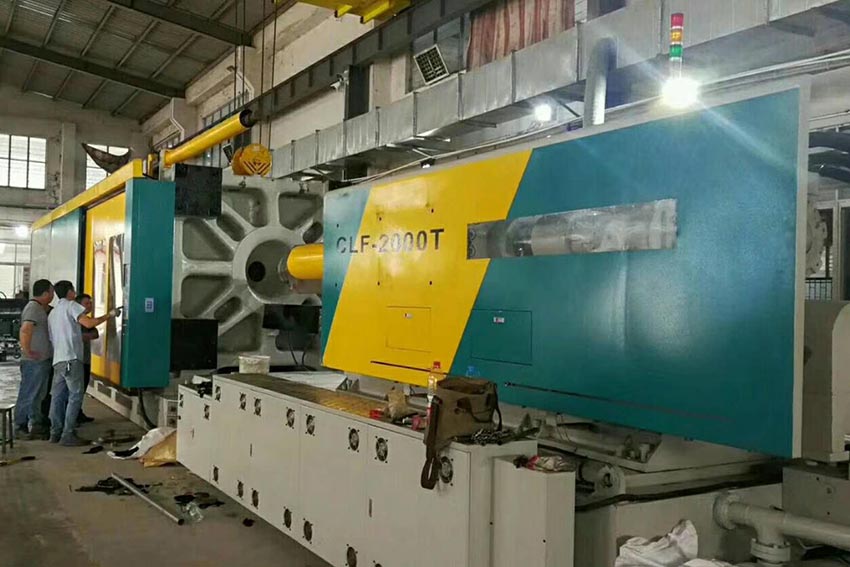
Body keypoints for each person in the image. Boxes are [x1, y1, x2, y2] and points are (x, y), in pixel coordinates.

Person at [48, 281, 118, 446]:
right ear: (70, 292)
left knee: (57, 397)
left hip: (58, 360)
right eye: (73, 290)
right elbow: (88, 323)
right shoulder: (71, 306)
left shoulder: (53, 313)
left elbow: (52, 338)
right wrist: (109, 315)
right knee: (75, 396)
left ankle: (55, 433)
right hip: (71, 359)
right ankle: (68, 434)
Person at [14, 279, 54, 440]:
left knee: (38, 394)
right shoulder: (33, 309)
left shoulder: (40, 308)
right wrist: (28, 351)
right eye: (51, 292)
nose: (52, 295)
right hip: (33, 362)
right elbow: (25, 330)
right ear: (45, 293)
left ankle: (36, 423)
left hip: (41, 360)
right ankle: (20, 425)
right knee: (28, 393)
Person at [76, 293, 98, 424]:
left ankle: (78, 413)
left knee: (82, 388)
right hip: (77, 360)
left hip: (85, 359)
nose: (90, 306)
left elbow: (95, 333)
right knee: (76, 390)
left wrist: (82, 336)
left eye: (91, 303)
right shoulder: (78, 319)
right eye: (86, 303)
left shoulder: (87, 320)